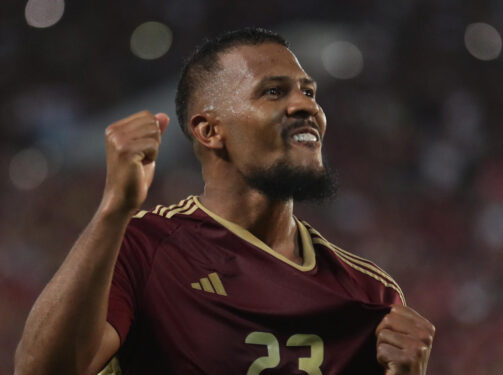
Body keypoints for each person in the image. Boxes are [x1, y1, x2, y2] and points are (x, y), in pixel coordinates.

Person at [14, 27, 434, 375]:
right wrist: (113, 210)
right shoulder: (143, 248)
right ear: (210, 131)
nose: (306, 105)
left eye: (309, 91)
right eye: (273, 92)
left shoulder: (370, 295)